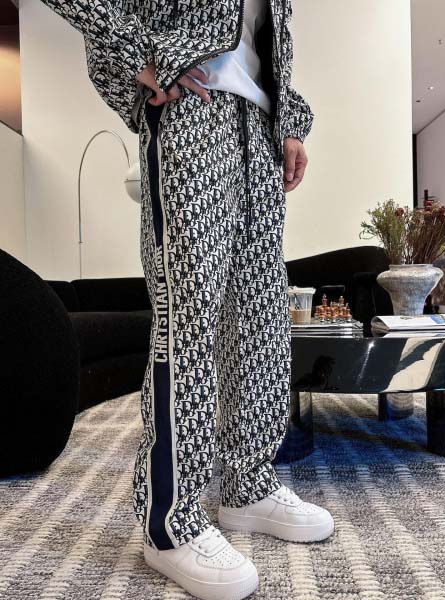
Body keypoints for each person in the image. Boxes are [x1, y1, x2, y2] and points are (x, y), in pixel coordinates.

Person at [38, 0, 334, 598]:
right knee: (190, 315)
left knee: (259, 320)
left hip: (259, 126)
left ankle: (248, 484)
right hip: (190, 110)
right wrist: (139, 57)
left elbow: (264, 37)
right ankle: (169, 521)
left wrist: (290, 120)